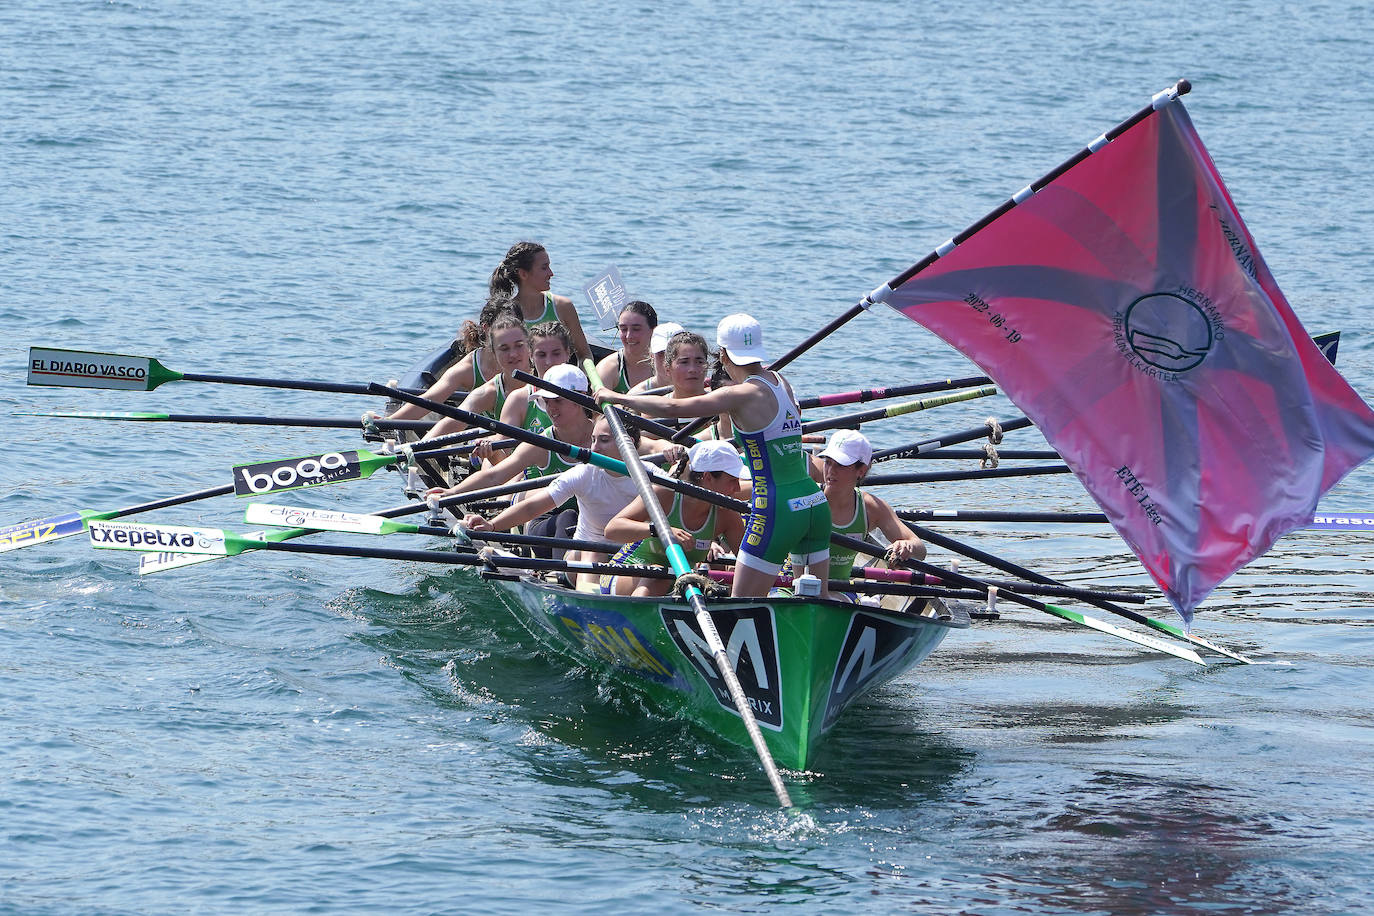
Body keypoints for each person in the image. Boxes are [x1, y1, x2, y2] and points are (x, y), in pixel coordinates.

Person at [595, 313, 830, 598]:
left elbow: (673, 409)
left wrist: (618, 398)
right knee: (816, 599)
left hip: (776, 506)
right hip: (814, 502)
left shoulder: (741, 394)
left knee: (741, 605)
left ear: (724, 355)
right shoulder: (780, 381)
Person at [460, 417, 673, 590]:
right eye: (593, 439)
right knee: (595, 551)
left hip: (634, 558)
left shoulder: (654, 477)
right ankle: (591, 607)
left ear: (631, 445)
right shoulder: (584, 474)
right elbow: (533, 506)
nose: (594, 448)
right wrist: (492, 526)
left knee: (659, 565)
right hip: (584, 556)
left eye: (604, 440)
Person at [425, 364, 596, 557]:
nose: (551, 409)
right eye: (547, 402)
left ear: (581, 398)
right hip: (546, 520)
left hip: (593, 520)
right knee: (567, 518)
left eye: (557, 400)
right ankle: (564, 577)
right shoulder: (541, 444)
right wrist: (452, 493)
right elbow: (495, 477)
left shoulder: (604, 438)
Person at [605, 440, 747, 597]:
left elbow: (749, 564)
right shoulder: (665, 494)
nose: (738, 488)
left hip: (678, 585)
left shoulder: (727, 515)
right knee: (661, 576)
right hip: (623, 573)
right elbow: (612, 529)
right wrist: (662, 530)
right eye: (733, 481)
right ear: (707, 477)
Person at [811, 429, 926, 587]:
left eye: (841, 465)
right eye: (828, 462)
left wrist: (906, 546)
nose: (831, 471)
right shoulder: (808, 497)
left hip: (840, 588)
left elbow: (920, 550)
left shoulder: (871, 507)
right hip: (791, 585)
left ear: (861, 470)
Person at [387, 297, 516, 423]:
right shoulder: (467, 368)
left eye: (514, 331)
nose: (512, 349)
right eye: (503, 329)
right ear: (486, 328)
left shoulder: (528, 358)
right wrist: (388, 422)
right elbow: (430, 399)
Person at [419, 314, 531, 440]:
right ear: (494, 353)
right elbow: (453, 423)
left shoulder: (547, 379)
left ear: (529, 346)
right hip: (504, 457)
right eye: (504, 349)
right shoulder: (489, 392)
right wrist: (414, 450)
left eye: (519, 345)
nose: (513, 354)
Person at [489, 241, 594, 363]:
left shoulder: (563, 307)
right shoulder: (506, 314)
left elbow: (585, 355)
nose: (551, 273)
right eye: (544, 268)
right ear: (523, 274)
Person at [595, 300, 657, 393]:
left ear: (653, 331)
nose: (629, 336)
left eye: (636, 329)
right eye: (623, 329)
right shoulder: (608, 368)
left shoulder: (664, 366)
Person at [627, 321, 685, 393]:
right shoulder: (636, 394)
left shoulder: (700, 389)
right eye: (662, 353)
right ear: (652, 355)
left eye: (674, 354)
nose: (667, 361)